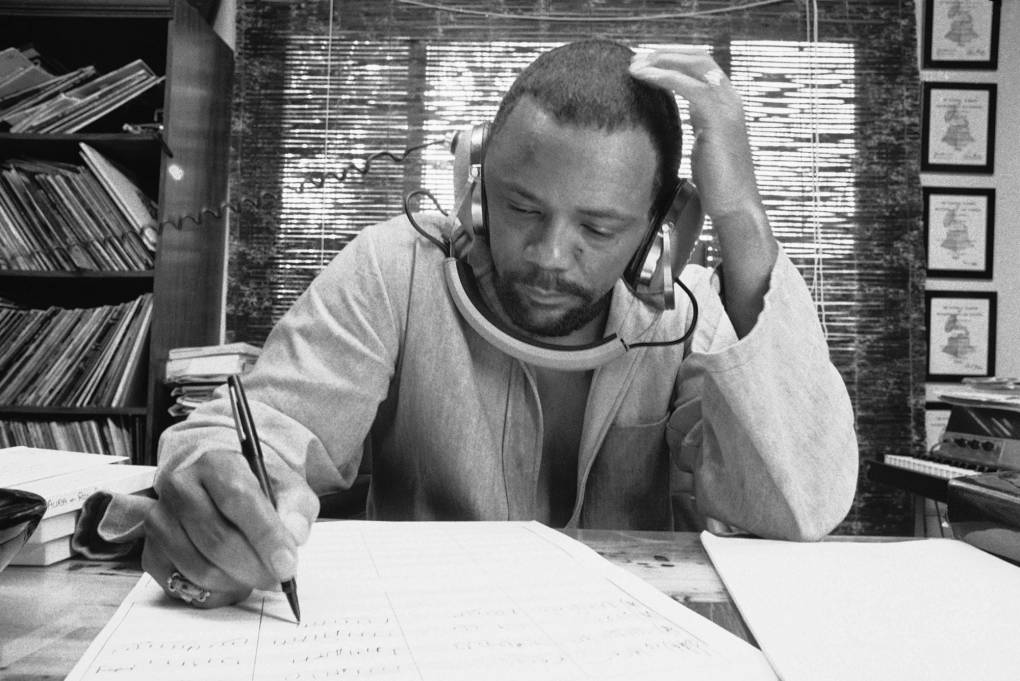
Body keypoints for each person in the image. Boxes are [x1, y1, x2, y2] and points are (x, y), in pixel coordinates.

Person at [142, 39, 858, 608]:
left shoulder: (690, 314)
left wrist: (741, 215)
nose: (549, 255)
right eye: (521, 208)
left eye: (598, 228)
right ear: (474, 185)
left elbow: (795, 507)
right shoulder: (393, 269)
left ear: (661, 228)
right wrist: (221, 484)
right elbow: (261, 429)